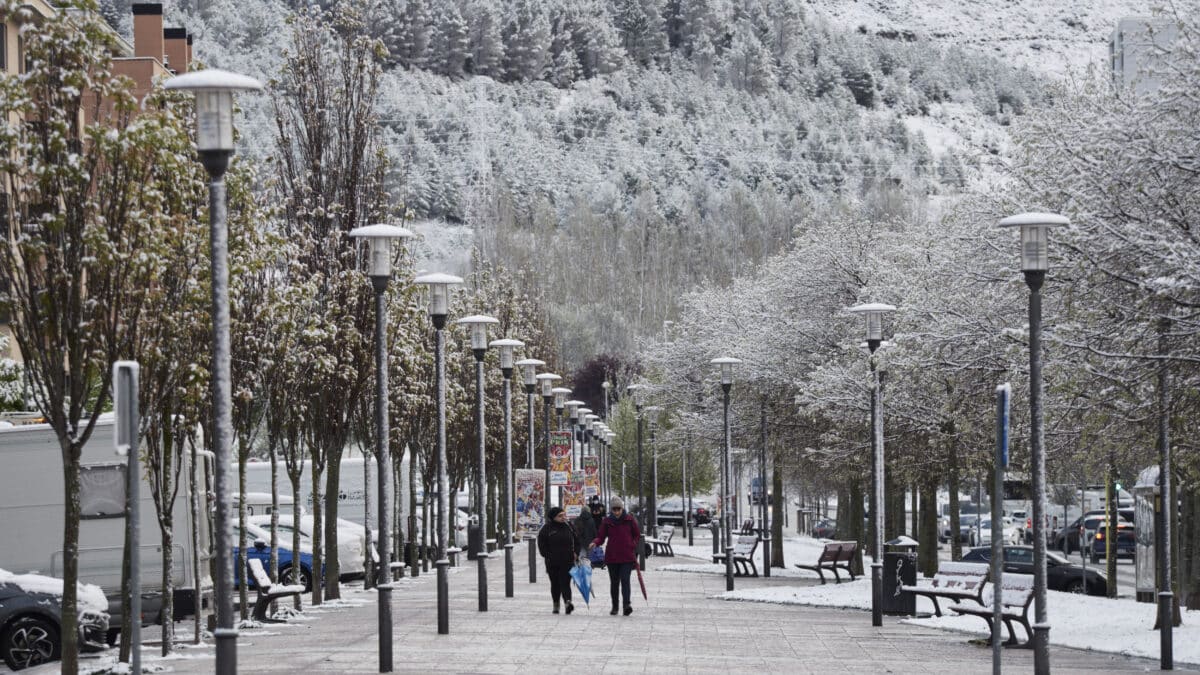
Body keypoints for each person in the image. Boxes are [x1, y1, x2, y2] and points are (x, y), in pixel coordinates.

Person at [590, 496, 641, 616]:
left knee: (625, 580)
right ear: (611, 510)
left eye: (619, 509)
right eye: (614, 509)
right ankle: (615, 606)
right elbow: (601, 537)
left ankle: (626, 605)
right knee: (614, 582)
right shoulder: (607, 521)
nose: (617, 512)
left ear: (622, 508)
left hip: (627, 556)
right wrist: (595, 542)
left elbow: (637, 535)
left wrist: (632, 544)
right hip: (612, 557)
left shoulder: (629, 520)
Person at [537, 506, 578, 614]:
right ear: (553, 517)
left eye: (564, 515)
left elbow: (577, 540)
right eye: (560, 516)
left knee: (565, 582)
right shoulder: (546, 529)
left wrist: (576, 553)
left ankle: (568, 602)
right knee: (555, 583)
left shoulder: (569, 526)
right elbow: (542, 544)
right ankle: (556, 603)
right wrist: (548, 555)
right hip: (552, 562)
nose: (563, 517)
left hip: (567, 560)